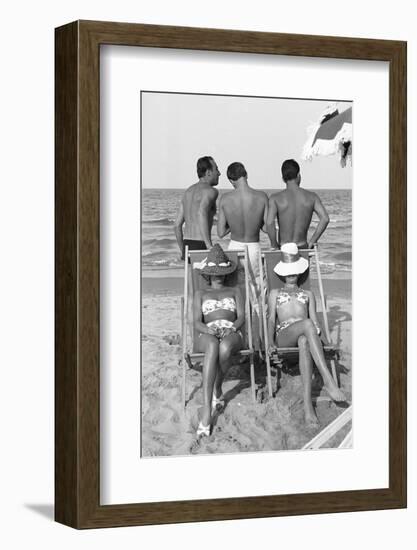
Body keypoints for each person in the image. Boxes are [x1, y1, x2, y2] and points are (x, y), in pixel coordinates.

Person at [267, 243, 346, 426]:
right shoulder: (275, 293)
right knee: (307, 324)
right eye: (288, 271)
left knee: (304, 341)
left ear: (300, 272)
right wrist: (270, 342)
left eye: (294, 271)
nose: (291, 274)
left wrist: (326, 342)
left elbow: (316, 322)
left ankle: (308, 407)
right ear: (282, 273)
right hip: (284, 335)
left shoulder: (308, 294)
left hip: (306, 333)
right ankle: (328, 378)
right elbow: (271, 319)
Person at [193, 244, 245, 436]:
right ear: (207, 274)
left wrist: (231, 327)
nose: (217, 275)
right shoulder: (200, 294)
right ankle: (207, 409)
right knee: (214, 344)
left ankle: (217, 386)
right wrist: (209, 329)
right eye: (213, 272)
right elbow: (196, 321)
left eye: (221, 272)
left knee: (224, 349)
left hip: (231, 331)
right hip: (207, 332)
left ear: (226, 273)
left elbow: (241, 317)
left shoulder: (235, 291)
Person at [217, 162, 268, 299]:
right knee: (257, 287)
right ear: (246, 175)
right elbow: (267, 228)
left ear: (231, 180)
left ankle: (242, 318)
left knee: (236, 288)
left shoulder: (225, 198)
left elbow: (220, 232)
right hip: (253, 247)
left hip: (234, 247)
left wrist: (233, 224)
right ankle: (260, 319)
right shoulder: (261, 197)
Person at [266, 159, 330, 250]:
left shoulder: (275, 198)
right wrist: (313, 240)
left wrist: (274, 244)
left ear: (283, 179)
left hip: (284, 248)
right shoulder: (312, 197)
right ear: (298, 175)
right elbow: (325, 218)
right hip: (302, 247)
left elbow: (269, 223)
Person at [174, 156, 220, 259]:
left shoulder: (188, 192)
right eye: (216, 169)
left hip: (187, 245)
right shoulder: (211, 191)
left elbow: (177, 225)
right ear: (208, 172)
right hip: (201, 244)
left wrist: (183, 251)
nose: (219, 173)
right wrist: (208, 246)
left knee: (191, 275)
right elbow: (201, 213)